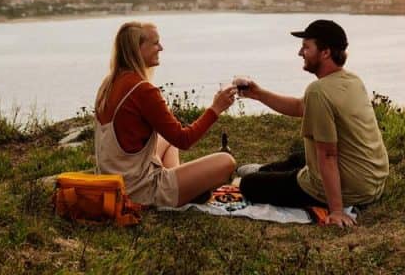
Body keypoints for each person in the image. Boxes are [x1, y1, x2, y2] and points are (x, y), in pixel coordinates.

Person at [235, 19, 389, 227]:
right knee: (299, 158)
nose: (300, 53)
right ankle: (265, 170)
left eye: (306, 47)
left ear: (325, 52)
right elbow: (300, 107)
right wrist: (259, 94)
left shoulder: (318, 91)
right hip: (371, 182)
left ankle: (260, 175)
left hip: (351, 189)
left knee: (249, 185)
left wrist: (336, 210)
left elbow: (327, 155)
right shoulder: (351, 80)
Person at [94, 21, 237, 207]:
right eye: (155, 43)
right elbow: (184, 139)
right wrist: (216, 109)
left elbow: (171, 137)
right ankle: (179, 193)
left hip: (113, 181)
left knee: (166, 139)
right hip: (137, 191)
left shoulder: (109, 83)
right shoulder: (142, 90)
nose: (161, 48)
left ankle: (184, 190)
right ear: (138, 49)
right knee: (226, 161)